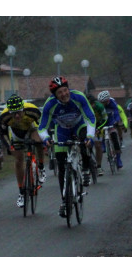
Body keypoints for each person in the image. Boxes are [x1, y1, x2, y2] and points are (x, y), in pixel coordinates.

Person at [38, 76, 96, 218]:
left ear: (68, 89)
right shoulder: (50, 104)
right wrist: (46, 139)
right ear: (55, 95)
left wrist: (90, 136)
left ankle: (86, 169)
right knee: (62, 166)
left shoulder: (79, 97)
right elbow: (42, 127)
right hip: (62, 130)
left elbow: (90, 118)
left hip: (79, 125)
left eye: (65, 90)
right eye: (60, 93)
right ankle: (64, 200)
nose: (64, 94)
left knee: (84, 143)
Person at [0, 94, 45, 208]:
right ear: (10, 112)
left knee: (38, 141)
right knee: (19, 160)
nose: (17, 115)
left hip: (31, 129)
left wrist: (44, 141)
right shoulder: (4, 117)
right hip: (16, 133)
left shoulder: (32, 110)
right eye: (14, 113)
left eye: (19, 112)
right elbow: (3, 134)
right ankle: (22, 192)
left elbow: (43, 126)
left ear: (23, 109)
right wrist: (9, 146)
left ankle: (41, 167)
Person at [97, 90, 124, 169]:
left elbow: (116, 112)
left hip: (111, 121)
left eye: (104, 102)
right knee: (100, 132)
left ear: (108, 100)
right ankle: (103, 144)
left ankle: (118, 159)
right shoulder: (98, 105)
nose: (103, 104)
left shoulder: (112, 102)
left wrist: (117, 121)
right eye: (101, 102)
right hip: (102, 121)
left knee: (114, 138)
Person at [88, 95, 108, 176]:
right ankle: (87, 164)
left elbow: (105, 119)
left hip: (98, 125)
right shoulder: (84, 106)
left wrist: (100, 128)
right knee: (86, 145)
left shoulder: (100, 106)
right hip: (88, 125)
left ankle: (99, 166)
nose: (91, 106)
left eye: (92, 104)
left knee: (98, 145)